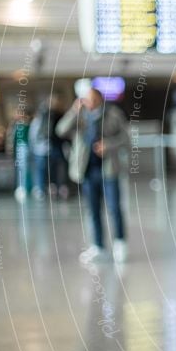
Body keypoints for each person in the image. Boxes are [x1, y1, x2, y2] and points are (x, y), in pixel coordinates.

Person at [57, 87, 129, 263]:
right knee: (93, 210)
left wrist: (108, 145)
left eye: (92, 99)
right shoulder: (80, 116)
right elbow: (60, 130)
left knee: (114, 208)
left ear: (100, 100)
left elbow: (126, 138)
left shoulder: (113, 114)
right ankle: (98, 246)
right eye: (86, 99)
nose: (89, 102)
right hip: (87, 171)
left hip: (109, 170)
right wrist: (74, 111)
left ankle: (120, 243)